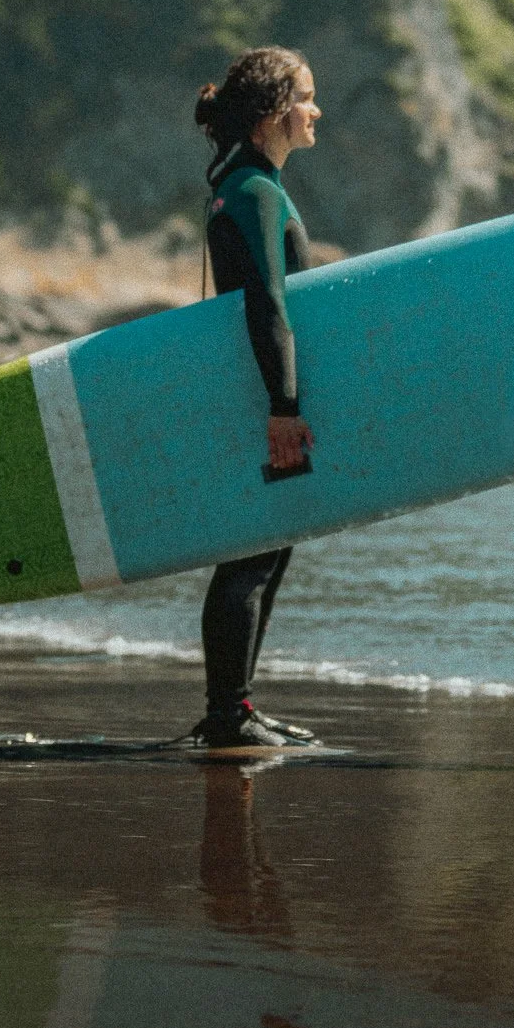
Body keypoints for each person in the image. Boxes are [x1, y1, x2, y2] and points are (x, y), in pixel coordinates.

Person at [191, 47, 322, 751]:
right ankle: (226, 713)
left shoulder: (242, 185)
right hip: (264, 395)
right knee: (251, 553)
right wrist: (284, 407)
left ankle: (237, 705)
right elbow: (266, 307)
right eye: (306, 96)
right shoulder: (254, 191)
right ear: (275, 111)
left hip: (257, 389)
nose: (315, 111)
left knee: (267, 549)